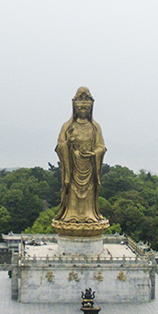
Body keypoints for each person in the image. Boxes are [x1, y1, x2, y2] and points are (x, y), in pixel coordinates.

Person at [54, 87, 107, 226]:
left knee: (89, 191)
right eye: (80, 108)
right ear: (74, 108)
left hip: (89, 166)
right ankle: (71, 214)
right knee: (72, 190)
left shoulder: (95, 127)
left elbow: (101, 147)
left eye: (86, 108)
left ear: (90, 109)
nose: (83, 111)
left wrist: (94, 153)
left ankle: (89, 214)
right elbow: (60, 146)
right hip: (73, 168)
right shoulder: (67, 126)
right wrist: (68, 143)